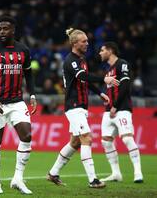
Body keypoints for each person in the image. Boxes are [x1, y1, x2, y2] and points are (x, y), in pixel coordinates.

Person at [47, 28, 119, 188]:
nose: (87, 43)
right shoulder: (71, 60)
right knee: (87, 138)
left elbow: (84, 81)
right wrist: (104, 79)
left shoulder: (81, 60)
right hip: (73, 105)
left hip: (81, 106)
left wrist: (99, 93)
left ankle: (53, 173)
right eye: (83, 41)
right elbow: (81, 76)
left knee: (74, 143)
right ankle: (93, 180)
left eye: (87, 40)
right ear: (74, 43)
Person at [0, 16, 37, 195]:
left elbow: (29, 75)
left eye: (5, 29)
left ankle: (18, 179)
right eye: (0, 29)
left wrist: (33, 95)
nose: (2, 32)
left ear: (13, 29)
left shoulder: (23, 50)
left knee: (27, 136)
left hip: (17, 102)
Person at [99, 42, 143, 183]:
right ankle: (116, 173)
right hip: (108, 111)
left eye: (102, 50)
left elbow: (125, 86)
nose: (100, 53)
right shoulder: (108, 71)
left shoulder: (122, 64)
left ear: (110, 51)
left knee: (127, 138)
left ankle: (138, 172)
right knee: (106, 141)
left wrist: (115, 106)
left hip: (121, 109)